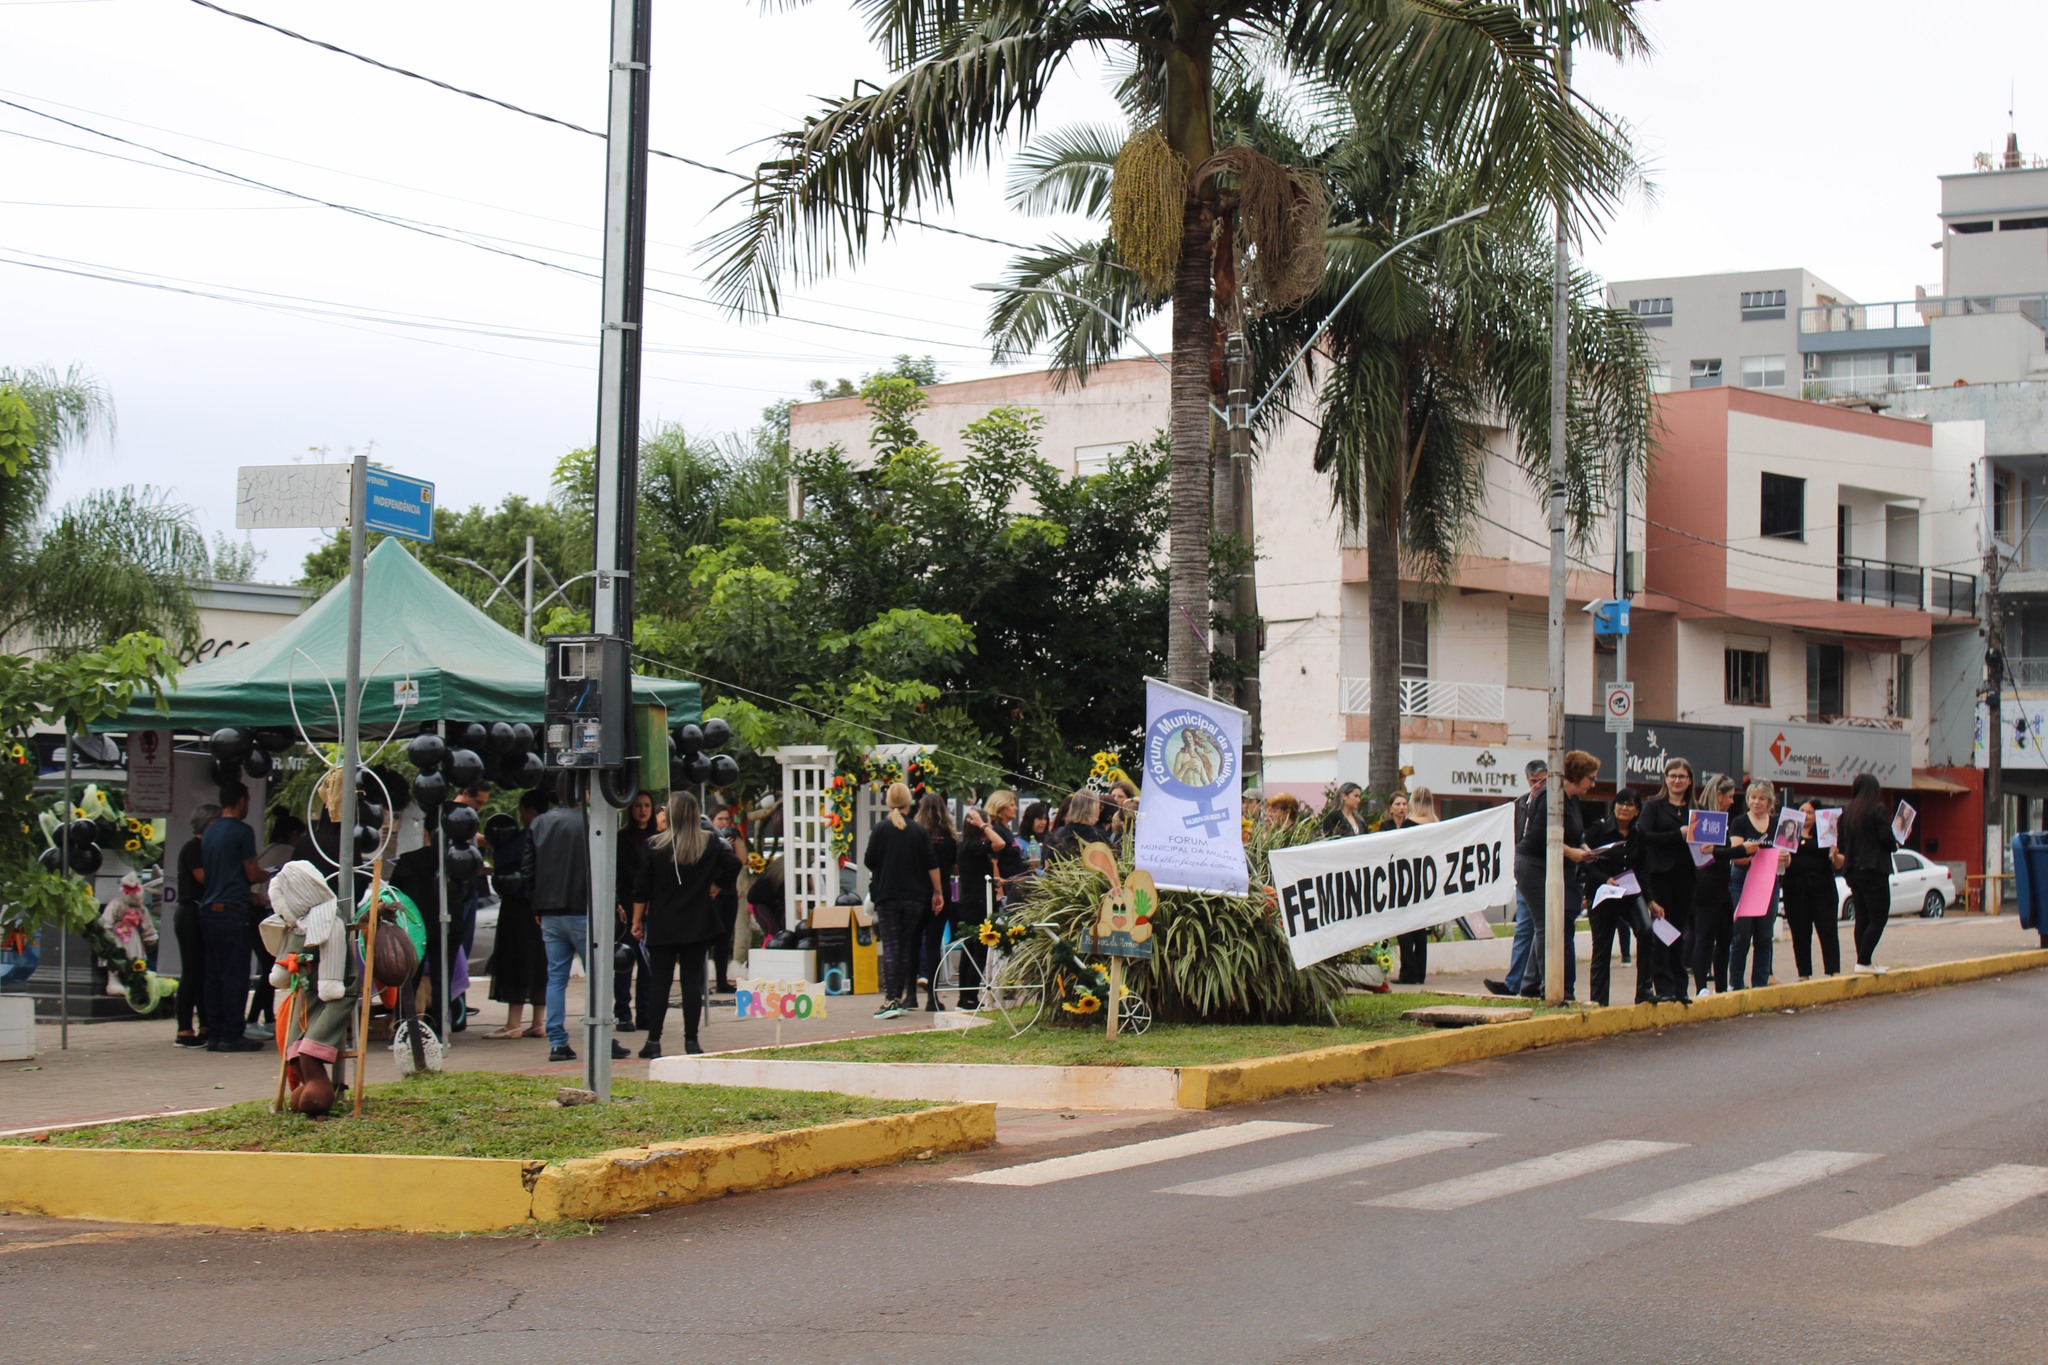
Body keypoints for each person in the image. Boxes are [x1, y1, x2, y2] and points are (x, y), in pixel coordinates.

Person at [630, 791, 741, 1058]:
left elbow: (641, 887)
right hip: (698, 921)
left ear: (671, 815)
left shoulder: (655, 845)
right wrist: (717, 885)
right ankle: (691, 1041)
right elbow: (734, 864)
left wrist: (636, 920)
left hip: (663, 922)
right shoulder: (709, 843)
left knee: (661, 982)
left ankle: (654, 1041)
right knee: (692, 982)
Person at [523, 794, 628, 1063]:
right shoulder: (592, 820)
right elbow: (605, 864)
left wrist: (537, 906)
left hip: (550, 911)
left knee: (556, 977)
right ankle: (602, 1035)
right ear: (582, 792)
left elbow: (528, 869)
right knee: (598, 976)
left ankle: (557, 1042)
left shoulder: (539, 824)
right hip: (585, 909)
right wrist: (613, 901)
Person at [1514, 750, 1599, 1001]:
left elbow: (1576, 833)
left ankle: (1530, 983)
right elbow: (1543, 838)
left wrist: (1583, 849)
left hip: (1558, 866)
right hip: (1534, 865)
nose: (1593, 784)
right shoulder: (1550, 797)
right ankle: (1548, 987)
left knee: (1547, 924)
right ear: (1576, 776)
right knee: (1547, 925)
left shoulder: (1572, 800)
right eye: (1590, 778)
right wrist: (1571, 852)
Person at [195, 782, 270, 1052]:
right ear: (241, 800)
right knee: (235, 973)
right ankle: (232, 1033)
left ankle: (214, 1032)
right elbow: (250, 873)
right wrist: (268, 874)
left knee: (213, 973)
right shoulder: (242, 831)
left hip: (208, 909)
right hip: (232, 910)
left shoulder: (210, 830)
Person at [864, 782, 941, 1018]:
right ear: (910, 802)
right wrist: (938, 893)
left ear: (889, 802)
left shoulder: (880, 829)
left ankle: (891, 999)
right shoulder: (919, 831)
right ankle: (898, 998)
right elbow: (931, 864)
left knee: (891, 947)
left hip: (887, 895)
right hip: (915, 897)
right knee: (905, 946)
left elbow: (869, 861)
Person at [482, 791, 549, 1039]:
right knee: (541, 961)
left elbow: (502, 859)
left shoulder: (524, 838)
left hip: (519, 907)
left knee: (516, 961)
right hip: (545, 906)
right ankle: (539, 1021)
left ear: (528, 811)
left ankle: (513, 1023)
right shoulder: (553, 833)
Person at [1635, 757, 1700, 1004]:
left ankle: (1680, 987)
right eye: (1672, 776)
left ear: (1689, 780)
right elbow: (1644, 837)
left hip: (1687, 877)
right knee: (1662, 932)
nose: (1677, 781)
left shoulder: (1697, 809)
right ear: (1665, 778)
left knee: (1679, 933)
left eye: (1682, 776)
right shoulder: (1654, 806)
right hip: (1660, 876)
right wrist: (1677, 834)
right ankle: (1663, 986)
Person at [1486, 759, 1548, 997]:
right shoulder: (1521, 804)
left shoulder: (1551, 802)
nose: (1538, 785)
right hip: (1524, 871)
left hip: (1541, 870)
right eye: (1533, 781)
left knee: (1538, 927)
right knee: (1524, 927)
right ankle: (1516, 982)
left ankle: (1532, 981)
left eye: (1542, 780)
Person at [956, 793, 1023, 1009]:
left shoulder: (971, 848)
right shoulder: (971, 845)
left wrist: (994, 880)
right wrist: (983, 824)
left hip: (976, 899)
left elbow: (976, 871)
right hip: (975, 903)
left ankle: (966, 996)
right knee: (976, 949)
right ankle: (968, 996)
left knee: (974, 948)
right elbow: (1000, 843)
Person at [1582, 789, 1648, 1007]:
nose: (1625, 808)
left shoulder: (1639, 834)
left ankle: (1644, 992)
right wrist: (1605, 879)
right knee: (1602, 948)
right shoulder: (1599, 829)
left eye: (1630, 805)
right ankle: (1599, 1001)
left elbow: (1643, 869)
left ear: (1637, 810)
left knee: (1646, 931)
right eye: (1621, 803)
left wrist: (1652, 900)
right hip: (1603, 894)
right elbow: (1586, 861)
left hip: (1630, 893)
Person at [1726, 780, 1786, 990]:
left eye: (1761, 798)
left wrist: (1784, 858)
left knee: (1764, 936)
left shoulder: (1779, 823)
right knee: (1741, 936)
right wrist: (1757, 853)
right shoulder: (1740, 822)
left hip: (1769, 882)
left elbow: (1787, 859)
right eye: (1752, 797)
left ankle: (1760, 983)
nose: (1756, 802)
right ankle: (1735, 984)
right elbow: (1736, 855)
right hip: (1742, 881)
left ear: (1770, 801)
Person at [1837, 772, 1896, 973]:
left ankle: (1863, 961)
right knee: (1878, 918)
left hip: (1853, 871)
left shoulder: (1847, 813)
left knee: (1862, 917)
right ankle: (1863, 961)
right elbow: (1887, 839)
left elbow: (1841, 846)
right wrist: (1895, 841)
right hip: (1874, 870)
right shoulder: (1877, 809)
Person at [171, 803, 219, 1048]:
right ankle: (184, 1028)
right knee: (191, 971)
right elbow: (202, 877)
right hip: (190, 912)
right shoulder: (195, 848)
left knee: (202, 970)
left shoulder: (204, 847)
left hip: (200, 912)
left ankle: (206, 1024)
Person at [1689, 775, 1739, 998]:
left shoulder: (1723, 821)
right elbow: (1705, 853)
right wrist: (1740, 850)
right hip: (1705, 885)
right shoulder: (1702, 818)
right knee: (1705, 936)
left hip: (1722, 885)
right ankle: (1701, 986)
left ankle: (1720, 985)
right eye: (1729, 797)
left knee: (1725, 937)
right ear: (1719, 795)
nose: (1732, 802)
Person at [1783, 802, 1845, 980]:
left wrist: (1834, 854)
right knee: (1800, 933)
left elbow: (1839, 863)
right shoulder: (1789, 830)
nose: (1805, 815)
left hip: (1822, 888)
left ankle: (1833, 971)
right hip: (1795, 889)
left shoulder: (1827, 835)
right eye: (1802, 811)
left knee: (1827, 931)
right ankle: (1803, 973)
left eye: (1810, 812)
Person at [612, 791, 657, 1033]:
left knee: (648, 965)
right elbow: (618, 874)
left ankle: (645, 1013)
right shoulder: (622, 838)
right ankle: (622, 1013)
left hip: (652, 908)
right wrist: (617, 902)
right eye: (638, 805)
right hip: (627, 910)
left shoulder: (658, 839)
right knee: (624, 961)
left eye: (647, 805)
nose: (642, 810)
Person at [914, 791, 958, 1012]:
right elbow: (956, 867)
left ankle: (909, 997)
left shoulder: (916, 834)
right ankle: (933, 997)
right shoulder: (949, 837)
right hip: (942, 894)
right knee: (933, 945)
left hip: (917, 893)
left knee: (913, 943)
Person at [1045, 790, 1105, 862]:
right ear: (1093, 809)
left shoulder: (1058, 834)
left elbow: (1047, 863)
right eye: (1099, 807)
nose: (1099, 811)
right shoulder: (1098, 837)